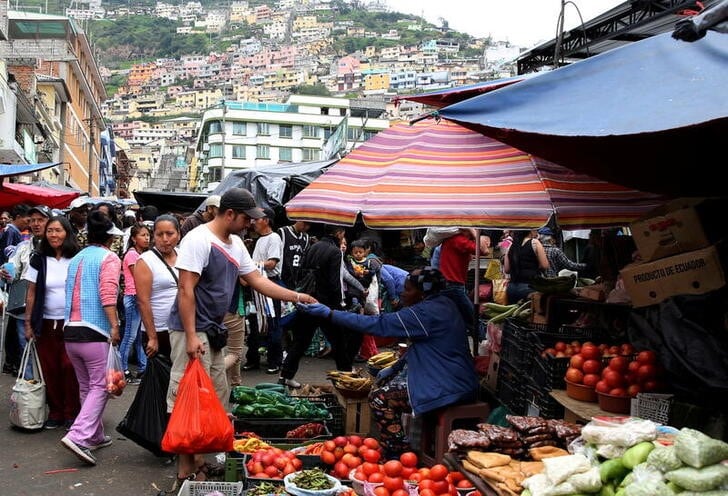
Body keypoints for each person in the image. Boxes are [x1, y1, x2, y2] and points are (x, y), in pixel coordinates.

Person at [165, 188, 315, 486]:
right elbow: (185, 290)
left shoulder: (235, 244)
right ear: (230, 213)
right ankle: (186, 472)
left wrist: (298, 296)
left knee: (216, 394)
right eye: (247, 218)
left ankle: (199, 462)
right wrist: (192, 335)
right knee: (189, 397)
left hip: (214, 330)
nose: (250, 223)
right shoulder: (198, 240)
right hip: (190, 329)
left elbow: (258, 280)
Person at [296, 267, 478, 457]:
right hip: (456, 377)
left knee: (379, 398)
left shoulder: (423, 313)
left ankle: (399, 453)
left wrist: (330, 314)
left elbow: (378, 324)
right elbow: (430, 345)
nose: (402, 293)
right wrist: (395, 367)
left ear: (422, 293)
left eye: (407, 289)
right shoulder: (444, 304)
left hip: (447, 385)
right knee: (384, 384)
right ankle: (401, 441)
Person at [61, 210, 124, 466]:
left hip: (70, 330)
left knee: (86, 386)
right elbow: (108, 294)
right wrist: (115, 325)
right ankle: (79, 435)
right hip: (94, 330)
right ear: (110, 238)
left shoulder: (76, 258)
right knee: (99, 386)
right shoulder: (108, 258)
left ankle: (95, 434)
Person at [24, 215, 81, 429]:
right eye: (50, 231)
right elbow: (31, 292)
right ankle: (56, 412)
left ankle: (71, 412)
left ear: (67, 233)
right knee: (49, 369)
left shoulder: (76, 257)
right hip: (45, 324)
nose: (53, 235)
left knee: (69, 367)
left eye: (58, 230)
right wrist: (28, 323)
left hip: (71, 324)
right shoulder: (38, 259)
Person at [278, 224, 349, 389]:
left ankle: (284, 377)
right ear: (339, 234)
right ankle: (347, 378)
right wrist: (339, 304)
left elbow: (301, 272)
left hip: (308, 301)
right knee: (339, 343)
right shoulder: (335, 252)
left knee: (300, 342)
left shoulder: (312, 246)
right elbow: (335, 282)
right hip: (326, 305)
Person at [6, 205, 49, 378]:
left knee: (46, 349)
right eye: (32, 221)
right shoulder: (23, 247)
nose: (36, 224)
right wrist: (5, 271)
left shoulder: (56, 245)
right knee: (27, 348)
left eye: (40, 220)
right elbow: (12, 272)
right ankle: (31, 391)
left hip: (49, 309)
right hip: (24, 306)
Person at [243, 208, 284, 374]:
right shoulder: (259, 240)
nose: (253, 222)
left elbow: (272, 263)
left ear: (266, 220)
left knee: (272, 322)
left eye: (257, 219)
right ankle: (252, 359)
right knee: (254, 322)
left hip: (270, 283)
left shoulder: (274, 238)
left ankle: (275, 360)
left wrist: (253, 265)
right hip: (256, 283)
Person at [135, 215, 181, 360]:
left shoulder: (184, 256)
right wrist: (152, 337)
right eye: (159, 234)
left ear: (178, 235)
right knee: (163, 379)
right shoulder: (146, 261)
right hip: (160, 332)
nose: (165, 239)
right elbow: (143, 301)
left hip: (181, 329)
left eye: (170, 234)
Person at [438, 228, 491, 332]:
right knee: (473, 320)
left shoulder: (455, 240)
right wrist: (475, 233)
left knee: (460, 319)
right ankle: (485, 340)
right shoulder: (458, 240)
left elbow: (470, 255)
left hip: (451, 284)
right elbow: (485, 251)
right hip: (452, 285)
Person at [119, 223, 151, 384]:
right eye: (143, 235)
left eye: (147, 235)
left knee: (138, 337)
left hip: (138, 298)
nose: (146, 238)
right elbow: (138, 276)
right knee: (129, 337)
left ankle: (143, 368)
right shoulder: (132, 255)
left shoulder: (141, 254)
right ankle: (122, 369)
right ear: (133, 238)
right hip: (133, 297)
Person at [503, 229, 549, 305]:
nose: (536, 233)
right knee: (529, 314)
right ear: (530, 231)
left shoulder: (511, 245)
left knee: (513, 315)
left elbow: (507, 269)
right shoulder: (535, 242)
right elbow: (545, 265)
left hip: (511, 288)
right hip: (529, 287)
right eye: (535, 230)